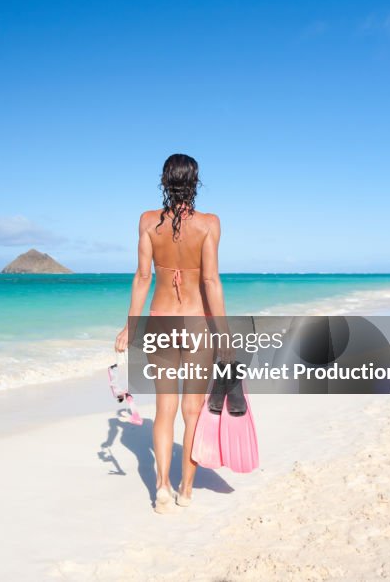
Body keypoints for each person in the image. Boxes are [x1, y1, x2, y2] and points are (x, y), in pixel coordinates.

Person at [114, 153, 226, 513]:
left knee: (165, 409)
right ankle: (186, 491)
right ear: (195, 182)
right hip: (196, 324)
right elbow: (210, 280)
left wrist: (131, 325)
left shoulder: (148, 222)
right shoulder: (209, 224)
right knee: (192, 411)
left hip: (161, 322)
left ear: (164, 181)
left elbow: (143, 277)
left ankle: (161, 488)